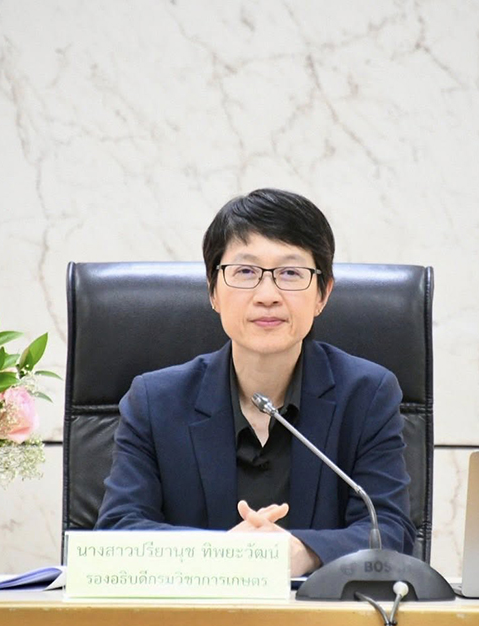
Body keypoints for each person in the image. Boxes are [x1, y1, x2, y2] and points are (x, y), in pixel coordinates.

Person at [96, 188, 416, 576]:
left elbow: (390, 531)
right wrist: (226, 554)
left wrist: (303, 552)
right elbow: (118, 531)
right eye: (245, 272)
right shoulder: (154, 401)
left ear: (323, 294)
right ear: (213, 291)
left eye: (291, 273)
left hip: (320, 614)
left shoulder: (366, 396)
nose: (267, 295)